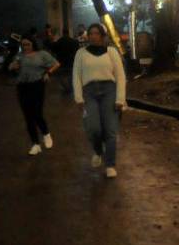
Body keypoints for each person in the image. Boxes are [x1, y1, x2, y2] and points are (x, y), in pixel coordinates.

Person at [72, 23, 126, 178]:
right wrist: (78, 97)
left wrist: (120, 99)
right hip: (89, 93)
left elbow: (120, 76)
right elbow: (76, 76)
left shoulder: (111, 52)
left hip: (109, 91)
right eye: (91, 33)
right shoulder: (80, 53)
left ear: (102, 36)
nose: (93, 36)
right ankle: (97, 150)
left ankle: (110, 165)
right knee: (93, 128)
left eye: (97, 33)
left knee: (110, 130)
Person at [9, 36, 60, 155]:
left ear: (33, 44)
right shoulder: (19, 56)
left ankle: (46, 133)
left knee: (37, 113)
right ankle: (35, 144)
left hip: (37, 85)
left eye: (28, 44)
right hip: (22, 86)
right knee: (28, 116)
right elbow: (10, 68)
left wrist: (48, 73)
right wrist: (12, 67)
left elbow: (56, 64)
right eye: (23, 45)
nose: (25, 47)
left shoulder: (42, 54)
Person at [51, 29, 80, 95]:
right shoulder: (74, 41)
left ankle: (66, 89)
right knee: (71, 75)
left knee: (62, 76)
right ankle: (70, 88)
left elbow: (53, 50)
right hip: (71, 61)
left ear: (62, 33)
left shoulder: (59, 41)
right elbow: (77, 50)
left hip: (61, 61)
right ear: (69, 33)